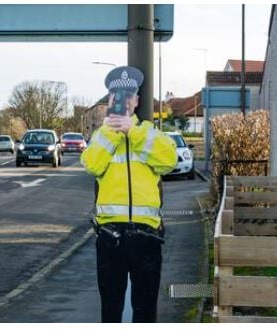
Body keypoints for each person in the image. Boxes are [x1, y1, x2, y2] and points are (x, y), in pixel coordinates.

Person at [80, 66, 177, 323]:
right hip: (110, 236)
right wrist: (112, 132)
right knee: (111, 310)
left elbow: (168, 160)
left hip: (147, 237)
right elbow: (91, 165)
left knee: (145, 311)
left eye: (128, 96)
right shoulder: (101, 137)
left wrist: (132, 132)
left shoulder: (149, 133)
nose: (123, 101)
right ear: (110, 101)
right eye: (116, 96)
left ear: (136, 101)